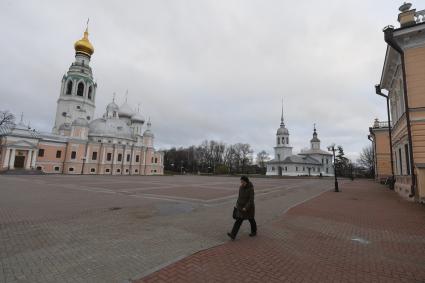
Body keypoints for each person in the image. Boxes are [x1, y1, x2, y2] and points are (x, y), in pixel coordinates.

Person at [227, 176, 257, 240]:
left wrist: (246, 207)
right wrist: (237, 204)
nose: (241, 183)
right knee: (238, 221)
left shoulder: (251, 189)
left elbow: (251, 200)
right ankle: (233, 234)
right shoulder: (241, 187)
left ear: (246, 181)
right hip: (241, 208)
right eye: (241, 182)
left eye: (242, 182)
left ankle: (254, 231)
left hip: (249, 209)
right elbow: (239, 197)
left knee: (251, 219)